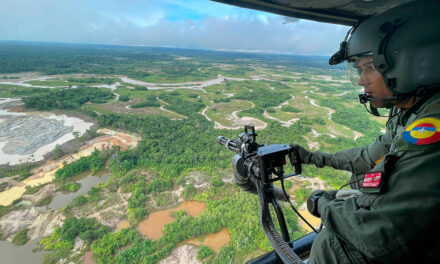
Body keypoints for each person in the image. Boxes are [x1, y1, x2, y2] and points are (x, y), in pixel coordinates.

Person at [287, 1, 440, 263]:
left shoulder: (433, 123)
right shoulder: (410, 111)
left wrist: (324, 205)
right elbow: (370, 156)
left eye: (368, 67)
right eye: (359, 70)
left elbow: (378, 236)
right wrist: (313, 157)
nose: (361, 80)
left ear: (409, 61)